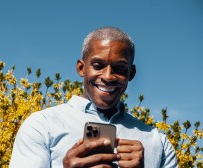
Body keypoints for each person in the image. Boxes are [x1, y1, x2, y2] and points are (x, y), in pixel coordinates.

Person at [9, 26, 178, 168]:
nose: (108, 76)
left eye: (119, 68)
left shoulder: (158, 142)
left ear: (131, 73)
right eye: (98, 66)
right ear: (81, 68)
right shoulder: (41, 125)